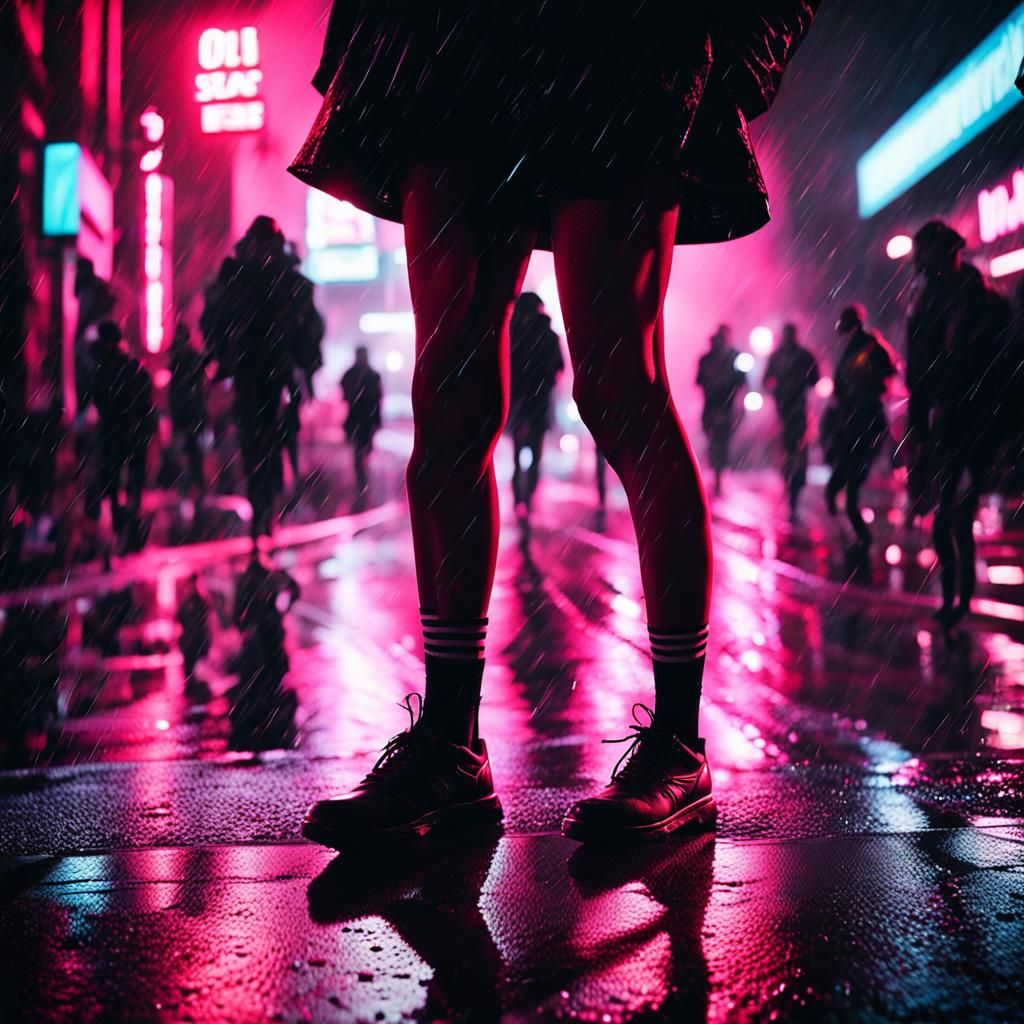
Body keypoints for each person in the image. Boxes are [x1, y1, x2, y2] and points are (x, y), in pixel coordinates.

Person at [291, 2, 820, 848]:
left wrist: (738, 50)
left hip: (612, 36)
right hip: (456, 36)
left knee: (618, 387)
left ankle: (679, 746)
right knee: (450, 389)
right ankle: (452, 744)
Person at [906, 220, 1014, 631]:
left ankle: (959, 600)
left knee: (958, 515)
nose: (920, 266)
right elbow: (918, 374)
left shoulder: (985, 301)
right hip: (948, 423)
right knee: (945, 518)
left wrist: (1005, 435)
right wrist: (919, 432)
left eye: (925, 256)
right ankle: (954, 599)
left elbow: (1006, 370)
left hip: (979, 423)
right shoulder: (926, 302)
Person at [201, 217, 324, 539]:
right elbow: (214, 322)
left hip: (271, 372)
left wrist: (304, 371)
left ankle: (265, 506)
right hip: (251, 370)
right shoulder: (239, 279)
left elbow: (307, 330)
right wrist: (217, 358)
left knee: (265, 441)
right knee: (254, 442)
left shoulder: (284, 282)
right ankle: (263, 506)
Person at [823, 305, 897, 551]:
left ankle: (859, 540)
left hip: (862, 425)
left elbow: (885, 375)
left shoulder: (867, 348)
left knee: (844, 490)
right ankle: (854, 538)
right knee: (839, 489)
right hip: (855, 424)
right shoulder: (854, 348)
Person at [85, 321, 156, 550]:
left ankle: (121, 524)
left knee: (114, 482)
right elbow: (147, 398)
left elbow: (98, 398)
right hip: (135, 432)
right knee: (135, 481)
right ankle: (132, 522)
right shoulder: (133, 367)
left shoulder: (103, 369)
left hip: (114, 432)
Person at [508, 292, 564, 527]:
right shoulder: (549, 337)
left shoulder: (512, 333)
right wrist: (545, 383)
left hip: (518, 402)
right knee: (535, 456)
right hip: (538, 403)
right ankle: (527, 498)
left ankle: (519, 499)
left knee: (517, 456)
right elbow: (559, 368)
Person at [763, 323, 820, 521]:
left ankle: (793, 494)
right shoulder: (780, 356)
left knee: (796, 456)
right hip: (785, 414)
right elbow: (766, 381)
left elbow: (815, 379)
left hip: (797, 414)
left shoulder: (803, 356)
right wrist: (778, 394)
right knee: (789, 456)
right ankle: (791, 491)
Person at [696, 325, 747, 496]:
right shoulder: (734, 357)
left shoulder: (710, 358)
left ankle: (718, 474)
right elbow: (742, 383)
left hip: (718, 406)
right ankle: (718, 474)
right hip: (722, 406)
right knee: (719, 441)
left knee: (718, 441)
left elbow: (699, 382)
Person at [168, 324, 208, 501]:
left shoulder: (182, 360)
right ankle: (194, 491)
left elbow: (180, 392)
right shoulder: (186, 360)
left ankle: (192, 491)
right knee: (191, 454)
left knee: (190, 454)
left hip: (189, 415)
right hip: (189, 415)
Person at [340, 346, 383, 501]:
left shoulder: (370, 375)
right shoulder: (364, 375)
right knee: (359, 447)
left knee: (363, 446)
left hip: (365, 417)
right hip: (360, 417)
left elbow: (378, 398)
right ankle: (361, 474)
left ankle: (362, 470)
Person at [176, 574, 212, 700]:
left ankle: (193, 694)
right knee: (193, 669)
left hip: (192, 642)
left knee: (193, 669)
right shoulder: (198, 600)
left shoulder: (191, 601)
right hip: (195, 641)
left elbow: (179, 617)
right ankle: (194, 694)